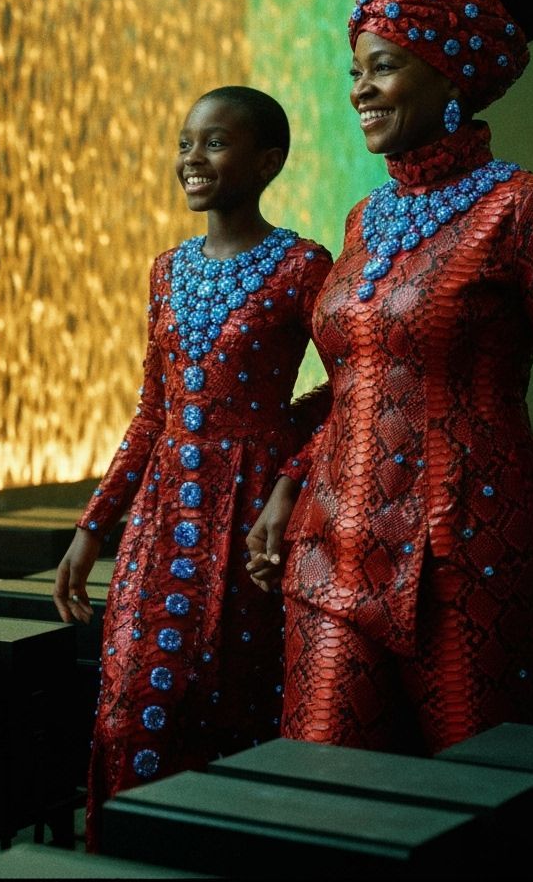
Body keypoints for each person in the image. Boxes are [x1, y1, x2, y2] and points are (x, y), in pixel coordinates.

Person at [246, 0, 533, 757]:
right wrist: (289, 478)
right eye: (354, 70)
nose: (360, 90)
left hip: (471, 558)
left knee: (472, 810)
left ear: (449, 71)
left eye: (383, 66)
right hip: (330, 551)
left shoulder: (524, 206)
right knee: (319, 800)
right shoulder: (361, 219)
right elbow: (356, 383)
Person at [54, 85, 333, 850]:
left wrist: (283, 459)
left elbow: (353, 388)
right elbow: (151, 411)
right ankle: (122, 859)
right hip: (159, 521)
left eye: (213, 143)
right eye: (184, 143)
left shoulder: (306, 266)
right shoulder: (164, 269)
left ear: (268, 160)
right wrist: (92, 528)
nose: (191, 159)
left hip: (252, 526)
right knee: (130, 702)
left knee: (232, 704)